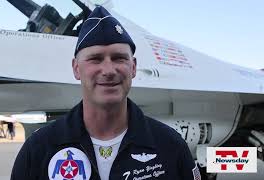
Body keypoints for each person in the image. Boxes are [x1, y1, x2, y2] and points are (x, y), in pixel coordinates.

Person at [11, 6, 200, 180]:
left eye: (119, 58)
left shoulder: (170, 146)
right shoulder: (39, 150)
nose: (109, 70)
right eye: (95, 59)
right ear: (76, 68)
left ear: (133, 67)